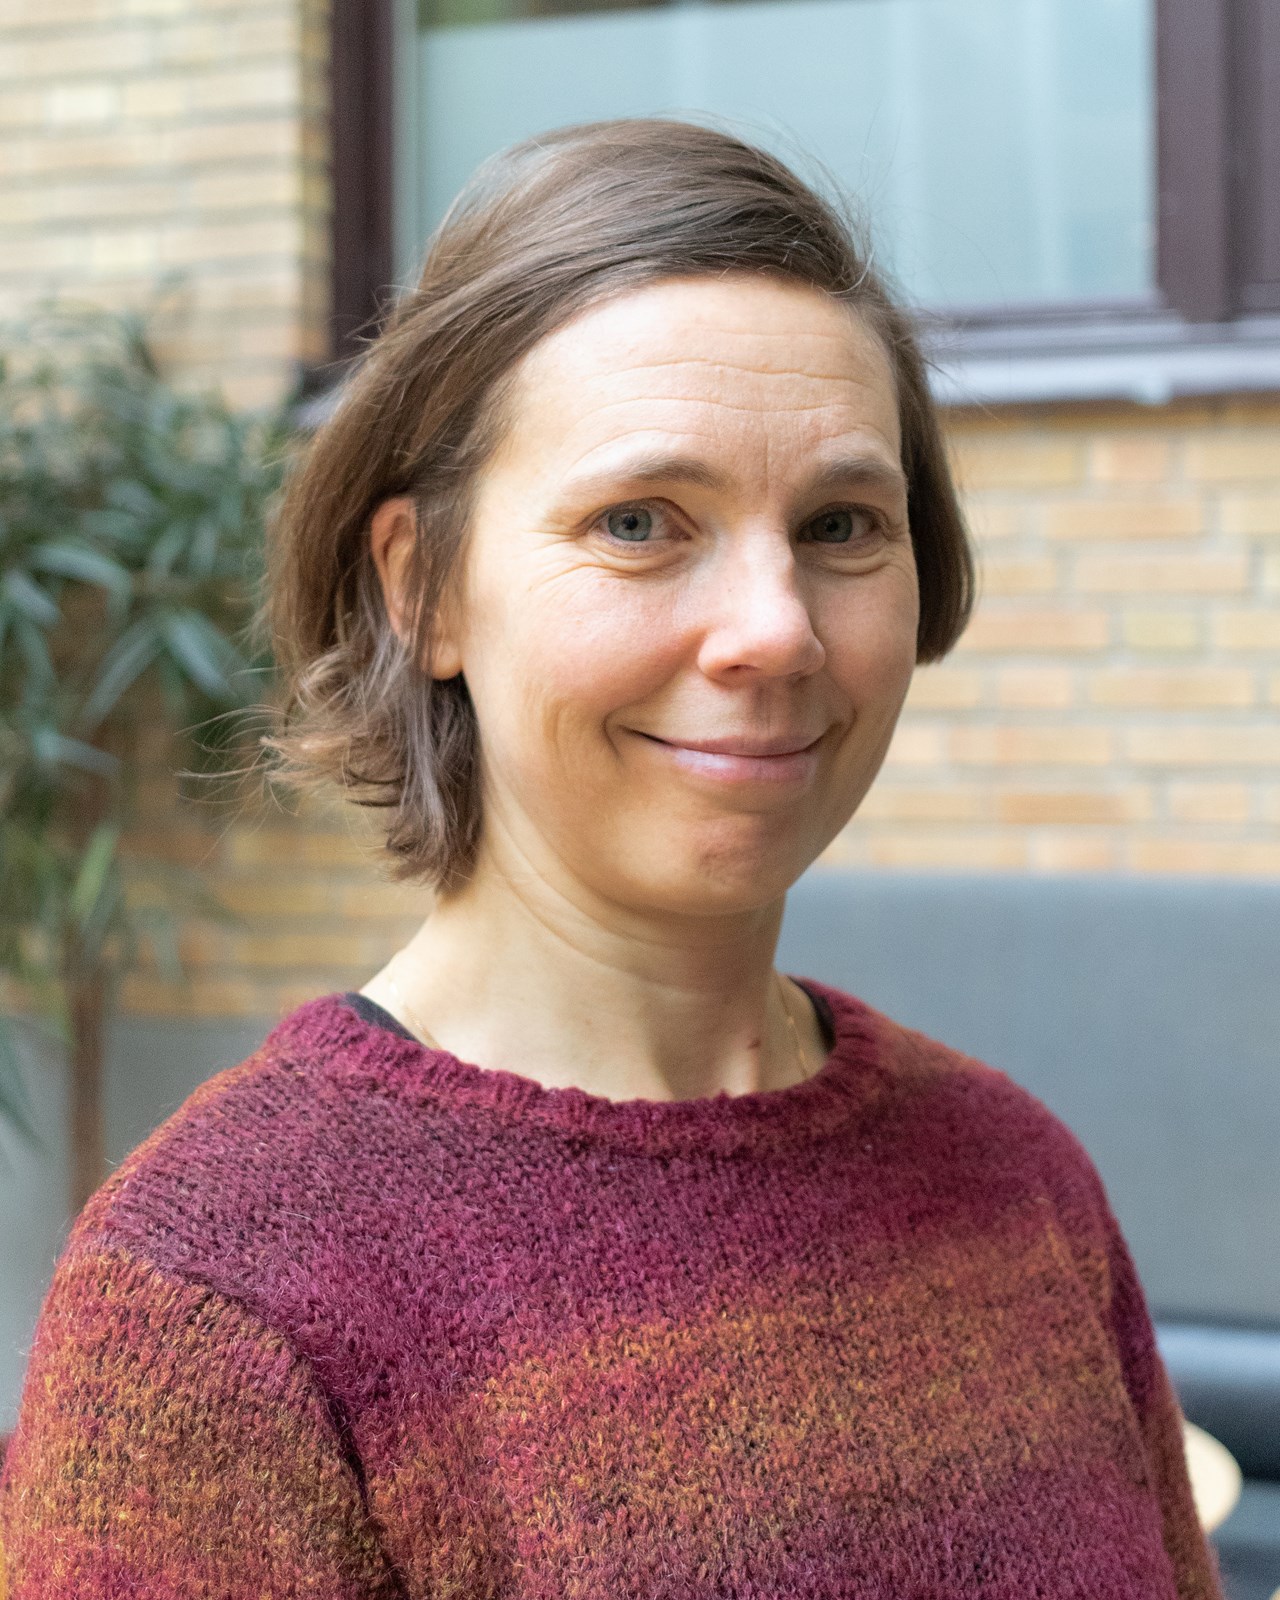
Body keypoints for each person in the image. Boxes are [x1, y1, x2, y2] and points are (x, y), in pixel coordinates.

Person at [0, 119, 1224, 1599]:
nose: (774, 627)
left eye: (841, 524)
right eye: (640, 522)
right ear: (424, 591)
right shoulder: (221, 1309)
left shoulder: (1013, 1181)